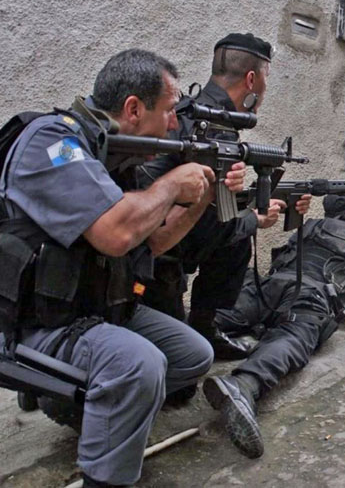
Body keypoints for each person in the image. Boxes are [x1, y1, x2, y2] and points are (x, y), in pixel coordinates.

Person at [0, 49, 241, 486]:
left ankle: (98, 414)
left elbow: (156, 239)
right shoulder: (53, 142)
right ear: (133, 108)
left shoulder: (117, 157)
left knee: (193, 356)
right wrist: (172, 184)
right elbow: (115, 233)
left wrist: (204, 194)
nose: (174, 123)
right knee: (139, 364)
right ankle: (104, 478)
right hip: (39, 323)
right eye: (169, 111)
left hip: (94, 311)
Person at [137, 32, 311, 359]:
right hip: (154, 255)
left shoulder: (196, 112)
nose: (265, 89)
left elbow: (215, 203)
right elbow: (212, 219)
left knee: (236, 234)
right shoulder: (211, 126)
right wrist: (254, 219)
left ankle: (205, 325)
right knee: (181, 385)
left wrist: (277, 200)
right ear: (251, 78)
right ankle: (200, 329)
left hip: (159, 236)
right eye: (265, 79)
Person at [202, 194, 345, 458]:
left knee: (222, 316)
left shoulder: (306, 227)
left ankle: (173, 340)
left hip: (270, 285)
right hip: (308, 295)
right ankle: (244, 385)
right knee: (292, 337)